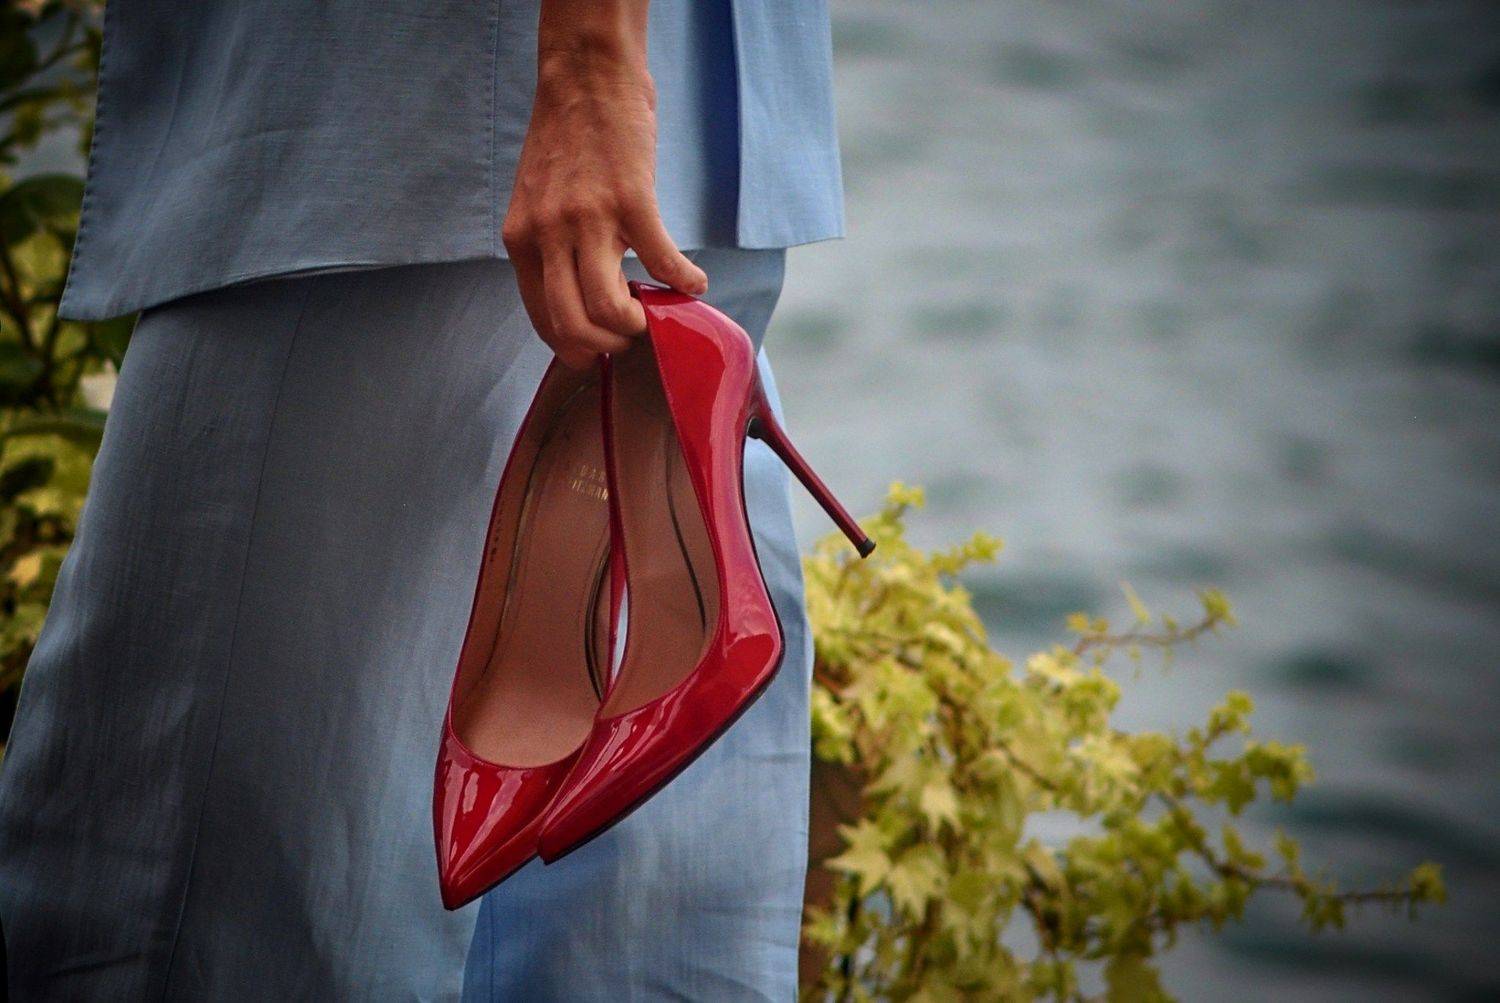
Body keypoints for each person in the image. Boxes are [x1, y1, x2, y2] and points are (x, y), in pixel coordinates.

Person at [0, 0, 844, 998]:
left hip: (421, 139)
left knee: (195, 917)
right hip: (703, 135)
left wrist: (589, 71)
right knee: (615, 951)